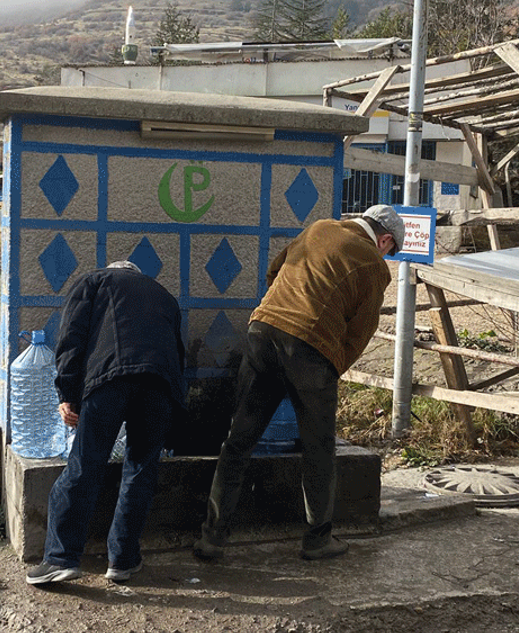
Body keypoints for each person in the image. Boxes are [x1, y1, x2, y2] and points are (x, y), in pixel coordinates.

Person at [194, 204, 403, 562]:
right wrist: (331, 369)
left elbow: (276, 270)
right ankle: (318, 539)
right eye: (390, 249)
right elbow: (360, 333)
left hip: (263, 329)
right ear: (384, 239)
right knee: (318, 448)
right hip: (311, 347)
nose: (386, 254)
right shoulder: (373, 265)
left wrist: (281, 314)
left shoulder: (319, 227)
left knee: (239, 439)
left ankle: (212, 537)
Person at [26, 260, 186, 586]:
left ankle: (61, 558)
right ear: (135, 274)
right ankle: (123, 561)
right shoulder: (165, 296)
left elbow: (72, 337)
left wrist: (67, 394)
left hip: (110, 379)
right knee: (141, 470)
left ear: (113, 270)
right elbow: (178, 354)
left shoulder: (94, 281)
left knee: (86, 464)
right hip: (160, 386)